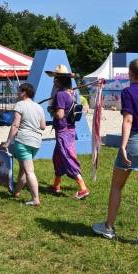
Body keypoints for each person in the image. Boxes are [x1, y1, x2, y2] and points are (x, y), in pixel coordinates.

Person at [92, 59, 138, 252]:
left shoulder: (128, 92)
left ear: (131, 74)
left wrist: (123, 146)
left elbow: (128, 120)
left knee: (116, 186)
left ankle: (108, 227)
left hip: (135, 141)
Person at [46, 65, 90, 200]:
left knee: (67, 157)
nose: (54, 81)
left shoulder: (60, 94)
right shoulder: (71, 92)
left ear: (59, 80)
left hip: (63, 129)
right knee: (58, 157)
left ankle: (83, 188)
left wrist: (51, 110)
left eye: (55, 79)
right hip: (70, 128)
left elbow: (59, 115)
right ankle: (56, 185)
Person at [2, 83, 45, 206]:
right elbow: (42, 126)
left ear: (24, 92)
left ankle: (36, 199)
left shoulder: (20, 105)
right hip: (36, 142)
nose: (17, 93)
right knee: (23, 168)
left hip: (23, 141)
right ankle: (16, 192)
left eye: (19, 90)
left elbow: (15, 125)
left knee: (29, 171)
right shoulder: (38, 107)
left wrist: (8, 142)